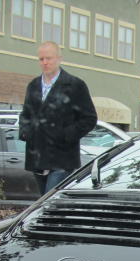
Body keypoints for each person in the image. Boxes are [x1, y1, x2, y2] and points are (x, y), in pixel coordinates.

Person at [19, 41, 97, 195]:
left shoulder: (75, 85)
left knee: (50, 202)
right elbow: (26, 114)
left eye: (49, 58)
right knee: (43, 204)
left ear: (59, 59)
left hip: (62, 157)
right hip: (37, 156)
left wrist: (65, 135)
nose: (45, 62)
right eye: (41, 59)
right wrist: (25, 131)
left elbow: (89, 118)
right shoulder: (33, 85)